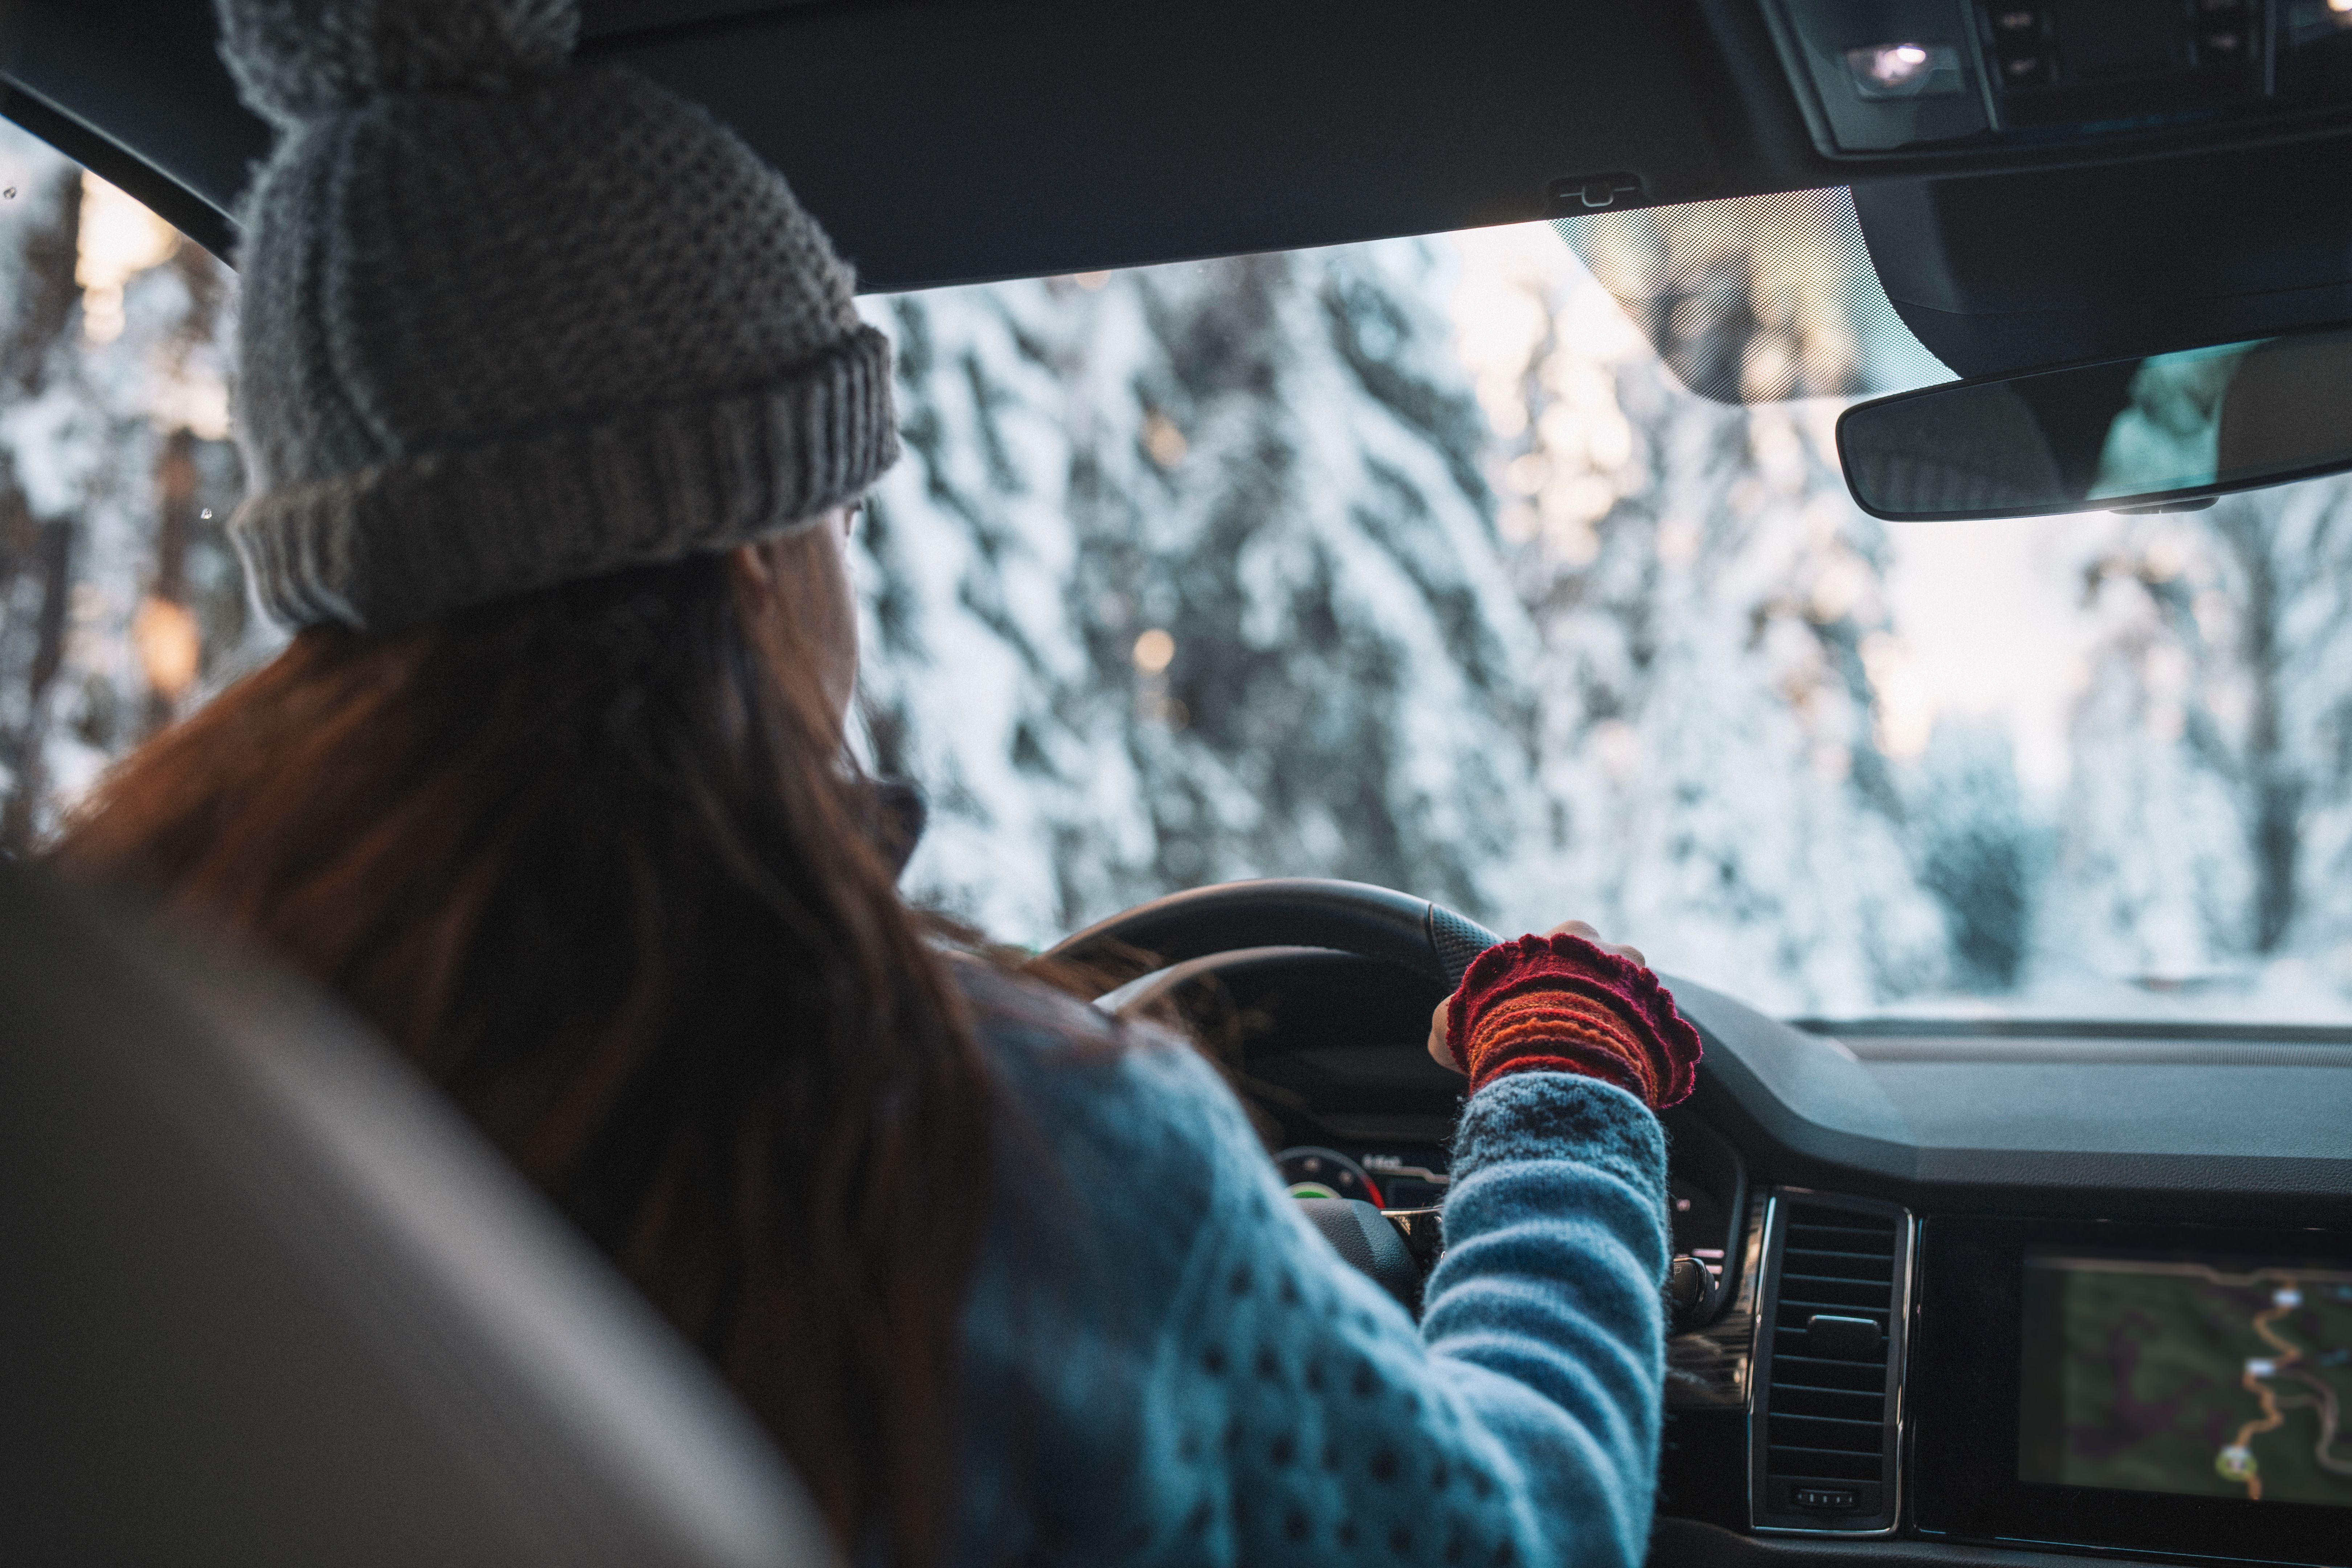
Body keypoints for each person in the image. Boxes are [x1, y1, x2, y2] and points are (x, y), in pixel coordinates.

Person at [55, 2, 1706, 1564]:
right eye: (842, 516)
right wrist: (1564, 1089)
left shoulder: (127, 1069)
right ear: (755, 553)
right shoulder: (1003, 1148)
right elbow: (1523, 1528)